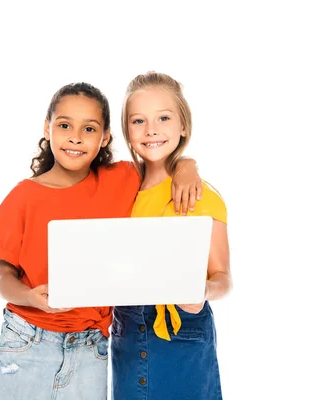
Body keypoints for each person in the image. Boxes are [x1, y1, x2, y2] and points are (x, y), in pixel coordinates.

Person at [0, 82, 202, 400]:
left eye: (89, 128)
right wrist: (31, 297)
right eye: (64, 125)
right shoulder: (22, 198)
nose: (75, 137)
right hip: (27, 339)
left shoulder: (123, 178)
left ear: (106, 137)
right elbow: (3, 279)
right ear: (47, 128)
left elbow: (160, 163)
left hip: (91, 347)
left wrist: (187, 166)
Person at [110, 71, 232, 400]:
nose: (151, 130)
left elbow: (223, 277)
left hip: (185, 329)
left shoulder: (201, 195)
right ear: (127, 130)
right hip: (128, 329)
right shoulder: (118, 190)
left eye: (164, 117)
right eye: (138, 121)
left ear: (183, 126)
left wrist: (202, 290)